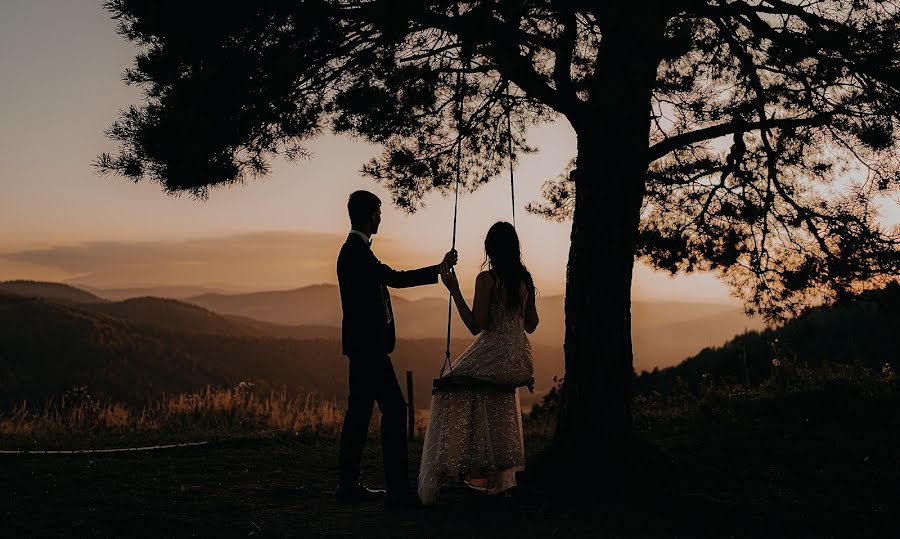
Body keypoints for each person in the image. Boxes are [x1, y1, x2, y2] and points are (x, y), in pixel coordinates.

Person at [335, 190, 457, 509]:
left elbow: (385, 281)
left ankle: (348, 485)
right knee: (395, 408)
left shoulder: (355, 250)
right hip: (369, 349)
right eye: (378, 211)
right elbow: (394, 279)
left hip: (362, 348)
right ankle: (398, 490)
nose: (381, 217)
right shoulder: (356, 251)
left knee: (360, 415)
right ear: (368, 213)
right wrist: (438, 270)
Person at [418, 221, 538, 505]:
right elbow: (531, 325)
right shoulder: (525, 280)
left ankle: (461, 465)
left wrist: (454, 290)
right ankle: (489, 473)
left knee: (450, 385)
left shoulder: (487, 280)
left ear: (489, 249)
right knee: (489, 394)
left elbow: (476, 326)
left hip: (495, 350)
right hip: (520, 357)